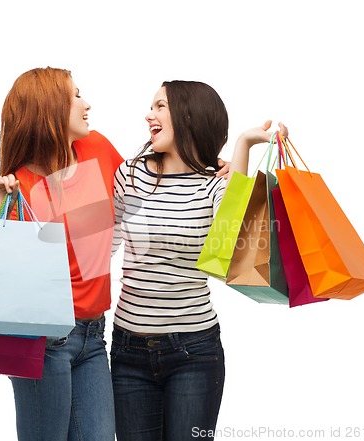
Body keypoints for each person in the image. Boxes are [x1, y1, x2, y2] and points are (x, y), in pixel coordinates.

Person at [0, 67, 232, 441]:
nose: (87, 104)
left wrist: (215, 168)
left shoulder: (96, 149)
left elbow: (151, 184)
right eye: (76, 96)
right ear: (50, 110)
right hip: (46, 340)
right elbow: (19, 278)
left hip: (95, 338)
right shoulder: (22, 185)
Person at [110, 80, 287, 441]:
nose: (149, 115)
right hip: (128, 351)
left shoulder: (213, 184)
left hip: (193, 351)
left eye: (160, 106)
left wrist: (244, 144)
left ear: (188, 115)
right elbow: (98, 246)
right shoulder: (130, 173)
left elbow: (227, 240)